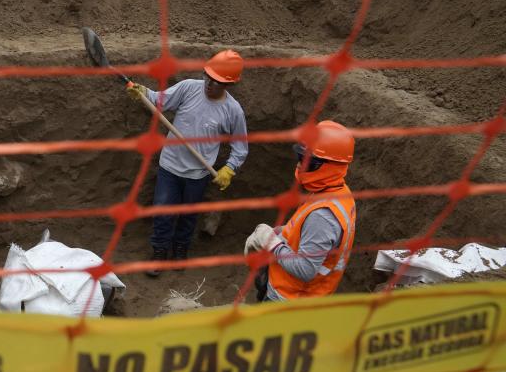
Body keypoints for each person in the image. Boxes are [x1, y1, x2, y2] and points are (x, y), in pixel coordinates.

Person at [127, 50, 249, 276]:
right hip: (170, 166)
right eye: (208, 77)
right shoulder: (189, 88)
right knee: (163, 212)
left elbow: (240, 147)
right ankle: (160, 252)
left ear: (229, 85)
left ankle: (180, 250)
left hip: (198, 174)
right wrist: (143, 92)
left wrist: (229, 168)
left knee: (189, 216)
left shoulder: (233, 111)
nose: (210, 84)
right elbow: (159, 100)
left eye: (217, 81)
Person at [244, 120, 357, 302]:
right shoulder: (336, 192)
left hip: (290, 299)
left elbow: (305, 269)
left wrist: (272, 243)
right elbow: (307, 234)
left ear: (330, 165)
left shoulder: (323, 216)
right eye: (300, 158)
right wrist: (282, 232)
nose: (299, 166)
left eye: (307, 162)